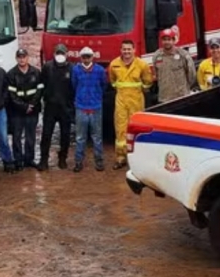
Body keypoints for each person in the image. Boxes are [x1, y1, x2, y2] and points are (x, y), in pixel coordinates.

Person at [109, 40, 153, 170]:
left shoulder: (142, 65)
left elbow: (148, 82)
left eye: (129, 49)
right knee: (120, 129)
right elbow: (112, 81)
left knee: (137, 129)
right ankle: (121, 157)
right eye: (124, 49)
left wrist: (139, 90)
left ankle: (137, 158)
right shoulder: (114, 64)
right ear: (120, 50)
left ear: (134, 50)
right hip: (121, 101)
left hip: (136, 101)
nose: (126, 52)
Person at [70, 46, 107, 172]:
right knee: (80, 137)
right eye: (84, 56)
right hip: (81, 107)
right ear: (81, 57)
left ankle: (99, 160)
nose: (86, 59)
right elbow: (74, 85)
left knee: (97, 137)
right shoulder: (75, 70)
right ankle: (78, 161)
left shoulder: (100, 70)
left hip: (96, 107)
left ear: (92, 57)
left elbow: (103, 85)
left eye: (88, 56)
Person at [6, 48, 43, 171]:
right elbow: (12, 95)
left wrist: (31, 105)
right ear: (16, 58)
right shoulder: (11, 74)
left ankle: (29, 159)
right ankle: (18, 160)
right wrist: (24, 107)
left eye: (24, 57)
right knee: (16, 136)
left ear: (28, 58)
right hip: (17, 111)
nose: (22, 59)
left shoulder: (36, 72)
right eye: (19, 57)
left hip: (33, 110)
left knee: (30, 136)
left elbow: (39, 91)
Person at [39, 43, 74, 170]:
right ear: (54, 54)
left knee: (65, 135)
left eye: (62, 53)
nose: (60, 56)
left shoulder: (72, 68)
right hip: (50, 107)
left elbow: (74, 87)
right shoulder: (47, 67)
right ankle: (43, 160)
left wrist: (71, 106)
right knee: (46, 134)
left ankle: (62, 159)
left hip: (65, 107)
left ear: (66, 54)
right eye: (58, 53)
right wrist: (43, 100)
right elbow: (41, 85)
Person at [152, 28, 197, 103]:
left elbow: (191, 75)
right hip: (164, 99)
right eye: (164, 40)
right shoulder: (157, 56)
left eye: (169, 39)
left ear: (173, 40)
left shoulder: (183, 55)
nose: (166, 42)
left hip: (182, 97)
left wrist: (184, 89)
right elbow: (156, 75)